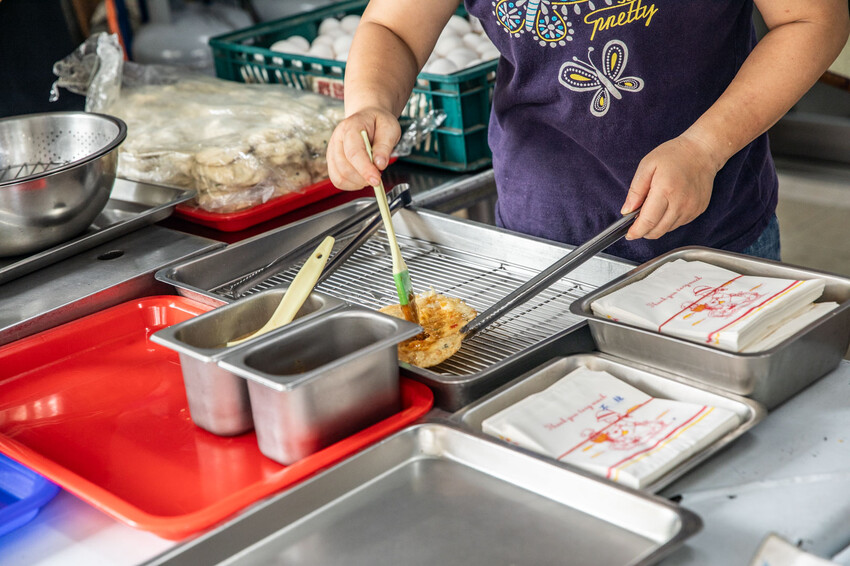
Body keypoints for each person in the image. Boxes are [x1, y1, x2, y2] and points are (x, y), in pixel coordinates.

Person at [326, 0, 850, 264]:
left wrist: (704, 147)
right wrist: (370, 103)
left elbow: (812, 19)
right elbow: (392, 27)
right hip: (536, 245)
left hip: (714, 240)